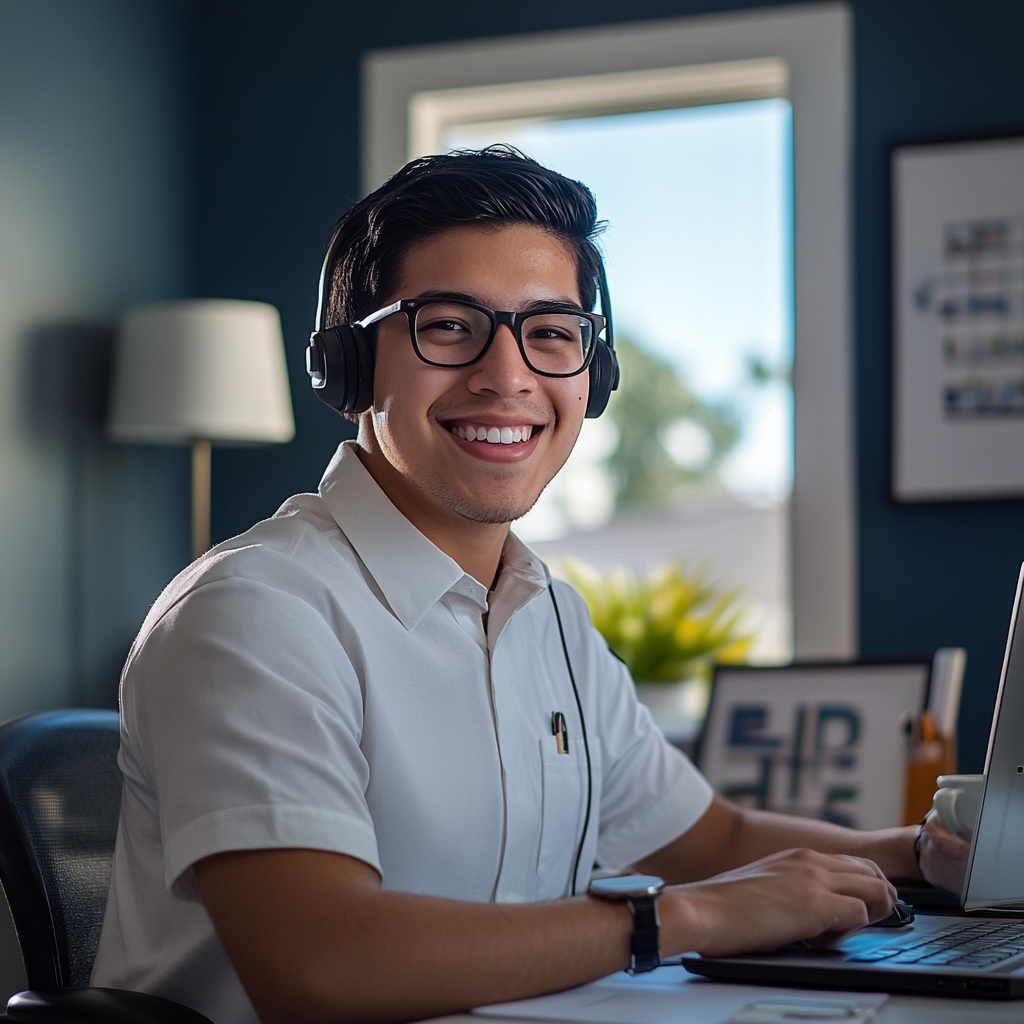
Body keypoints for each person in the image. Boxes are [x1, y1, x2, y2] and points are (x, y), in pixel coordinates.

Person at [91, 148, 960, 1024]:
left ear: (594, 374)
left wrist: (923, 853)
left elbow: (709, 839)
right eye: (449, 324)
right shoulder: (257, 612)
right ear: (351, 365)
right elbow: (323, 965)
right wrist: (681, 920)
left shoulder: (549, 615)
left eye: (550, 333)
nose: (508, 376)